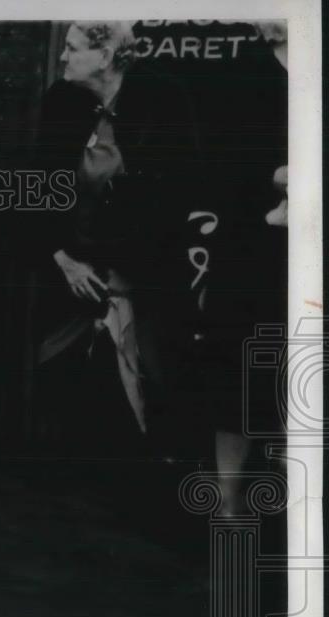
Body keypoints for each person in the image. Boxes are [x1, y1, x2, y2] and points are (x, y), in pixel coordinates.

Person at [31, 21, 199, 457]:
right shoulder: (61, 101)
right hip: (72, 270)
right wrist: (63, 257)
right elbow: (36, 188)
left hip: (142, 272)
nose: (63, 57)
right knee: (61, 381)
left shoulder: (162, 99)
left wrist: (124, 269)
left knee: (154, 380)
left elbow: (176, 193)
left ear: (105, 56)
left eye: (72, 48)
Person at [202, 22, 288, 515]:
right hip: (252, 247)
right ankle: (227, 503)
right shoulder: (242, 73)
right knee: (238, 373)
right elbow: (217, 165)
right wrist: (276, 176)